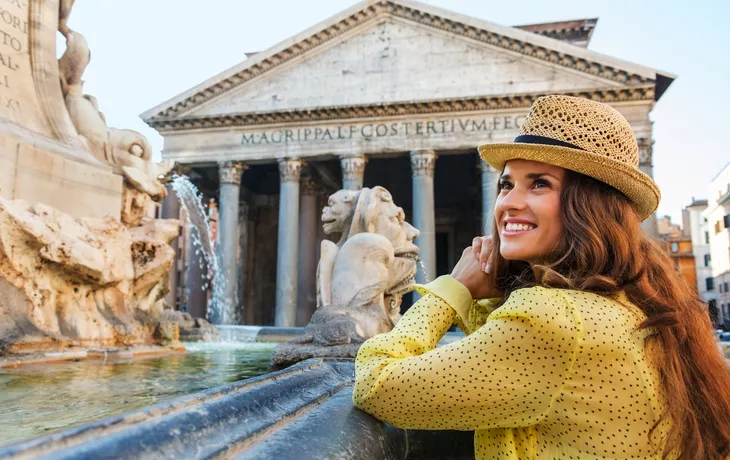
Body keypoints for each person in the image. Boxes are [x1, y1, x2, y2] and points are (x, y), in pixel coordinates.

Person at [352, 95, 730, 459]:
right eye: (506, 184)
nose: (509, 202)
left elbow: (376, 384)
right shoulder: (632, 303)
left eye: (539, 183)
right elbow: (513, 373)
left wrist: (452, 290)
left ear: (590, 204)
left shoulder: (554, 320)